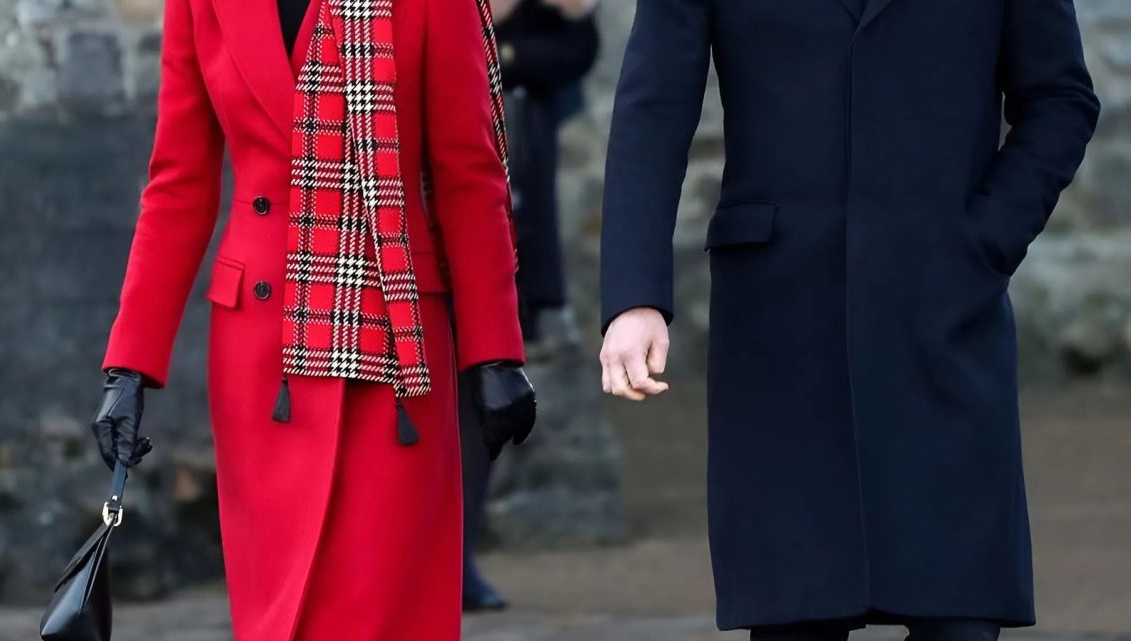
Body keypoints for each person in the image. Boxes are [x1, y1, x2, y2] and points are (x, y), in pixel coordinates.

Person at [599, 1, 1099, 641]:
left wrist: (984, 238)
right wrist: (635, 296)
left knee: (959, 610)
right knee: (796, 616)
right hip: (779, 333)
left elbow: (1060, 99)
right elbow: (653, 107)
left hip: (944, 316)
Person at [86, 0, 536, 639]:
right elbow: (179, 183)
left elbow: (470, 174)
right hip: (260, 367)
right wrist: (129, 365)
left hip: (394, 350)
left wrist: (495, 351)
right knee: (279, 616)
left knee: (380, 611)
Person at [458, 0, 599, 612]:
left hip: (513, 185)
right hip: (429, 179)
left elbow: (573, 48)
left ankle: (457, 554)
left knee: (483, 385)